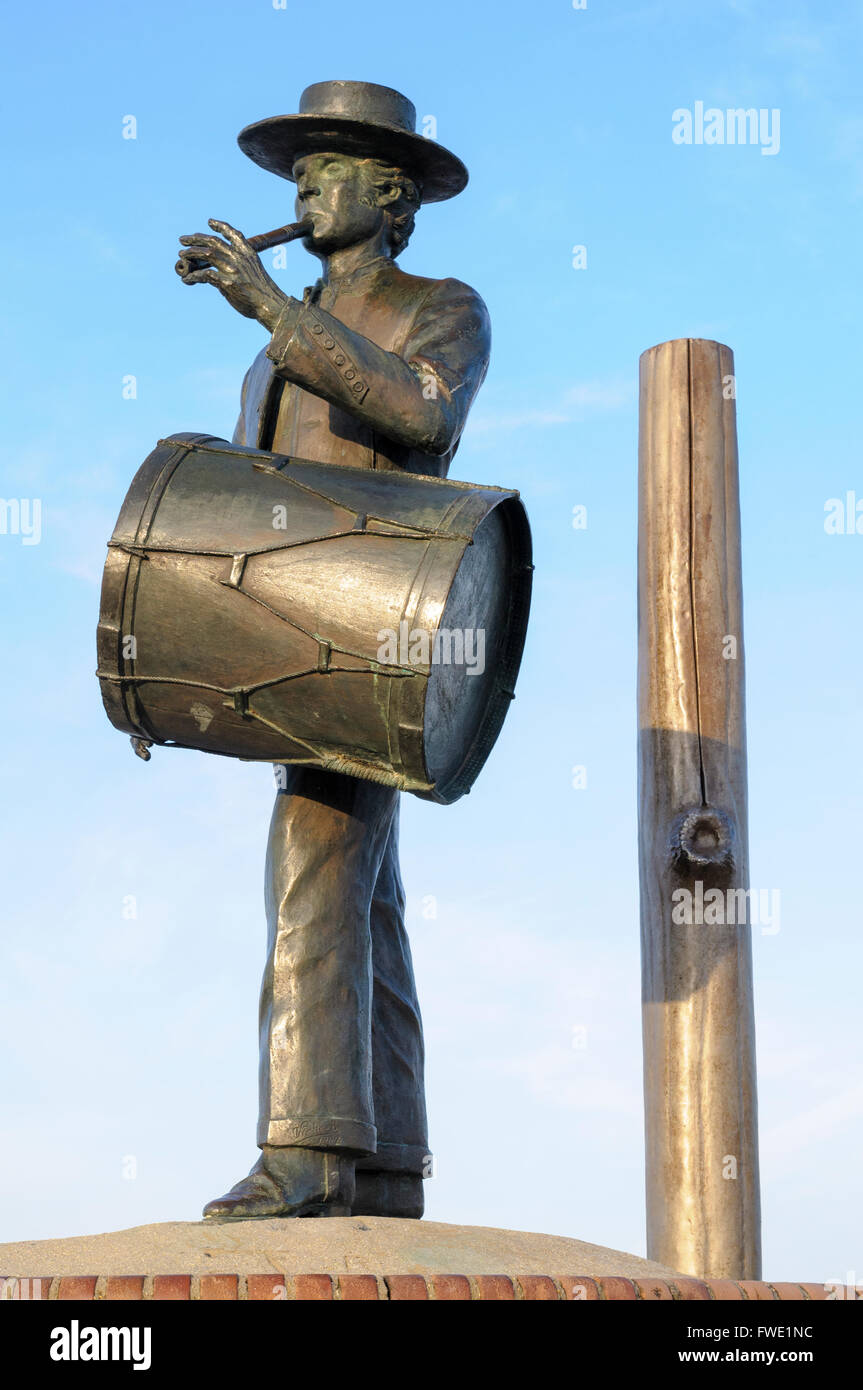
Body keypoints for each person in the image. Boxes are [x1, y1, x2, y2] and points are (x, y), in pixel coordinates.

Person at [176, 81, 491, 1218]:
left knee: (313, 870)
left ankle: (307, 1151)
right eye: (297, 169)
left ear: (390, 192)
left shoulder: (438, 305)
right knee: (368, 893)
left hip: (379, 623)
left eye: (328, 166)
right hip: (291, 634)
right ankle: (384, 1160)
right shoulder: (271, 354)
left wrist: (269, 307)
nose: (304, 185)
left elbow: (420, 413)